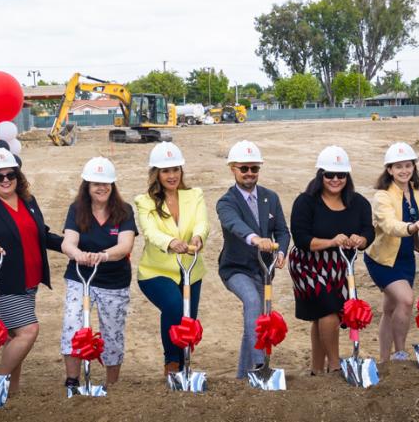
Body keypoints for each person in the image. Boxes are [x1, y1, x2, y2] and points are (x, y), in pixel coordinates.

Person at [0, 147, 63, 395]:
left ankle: (12, 390)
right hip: (0, 283)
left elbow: (42, 235)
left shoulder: (28, 201)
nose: (6, 180)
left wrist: (72, 246)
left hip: (28, 281)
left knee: (13, 337)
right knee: (28, 330)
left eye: (11, 174)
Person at [289, 146, 375, 374]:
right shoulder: (305, 202)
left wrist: (361, 240)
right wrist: (332, 241)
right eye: (329, 174)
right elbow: (300, 238)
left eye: (341, 175)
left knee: (321, 317)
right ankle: (336, 367)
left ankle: (317, 371)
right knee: (329, 310)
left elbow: (369, 231)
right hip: (307, 263)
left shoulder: (359, 202)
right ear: (320, 175)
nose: (335, 179)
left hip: (339, 266)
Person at [59, 157, 136, 389]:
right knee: (73, 323)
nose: (101, 188)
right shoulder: (77, 210)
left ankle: (111, 384)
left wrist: (102, 255)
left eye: (106, 183)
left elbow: (125, 247)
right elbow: (68, 242)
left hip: (113, 280)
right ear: (87, 186)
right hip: (81, 278)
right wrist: (77, 253)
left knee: (112, 332)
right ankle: (72, 380)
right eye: (95, 184)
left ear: (112, 186)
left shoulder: (124, 211)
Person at [216, 140, 290, 379]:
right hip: (235, 269)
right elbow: (233, 224)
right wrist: (255, 239)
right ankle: (260, 368)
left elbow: (282, 231)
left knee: (256, 319)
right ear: (233, 169)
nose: (249, 173)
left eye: (254, 168)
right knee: (252, 302)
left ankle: (242, 377)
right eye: (244, 168)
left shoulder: (271, 197)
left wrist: (280, 252)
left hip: (263, 270)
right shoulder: (226, 202)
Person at [134, 142, 209, 376]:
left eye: (175, 169)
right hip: (156, 271)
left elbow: (202, 222)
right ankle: (171, 363)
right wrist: (170, 242)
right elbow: (150, 231)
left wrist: (198, 236)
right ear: (156, 173)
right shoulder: (144, 201)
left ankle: (185, 364)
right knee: (174, 306)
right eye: (166, 171)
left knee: (188, 320)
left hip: (190, 270)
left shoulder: (194, 195)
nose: (172, 175)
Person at [366, 142, 419, 363]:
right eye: (398, 166)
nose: (404, 170)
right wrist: (411, 227)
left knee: (390, 308)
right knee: (406, 300)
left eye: (408, 165)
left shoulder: (416, 191)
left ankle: (384, 360)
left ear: (414, 166)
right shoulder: (382, 196)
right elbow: (390, 225)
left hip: (405, 259)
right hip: (383, 260)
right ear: (389, 170)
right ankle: (400, 353)